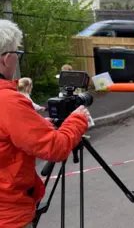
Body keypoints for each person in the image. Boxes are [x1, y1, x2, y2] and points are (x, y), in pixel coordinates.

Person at [0, 19, 90, 228]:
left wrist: (37, 124)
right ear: (6, 59)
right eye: (17, 55)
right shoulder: (8, 101)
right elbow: (55, 148)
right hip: (8, 214)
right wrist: (77, 119)